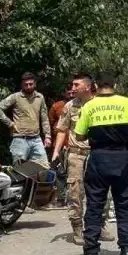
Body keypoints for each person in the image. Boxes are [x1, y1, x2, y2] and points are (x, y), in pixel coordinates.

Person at [73, 70, 128, 255]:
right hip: (123, 158)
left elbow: (79, 136)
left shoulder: (89, 106)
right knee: (124, 207)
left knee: (94, 206)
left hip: (98, 159)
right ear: (115, 86)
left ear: (95, 87)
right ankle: (126, 251)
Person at [52, 74, 94, 243]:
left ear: (87, 86)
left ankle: (99, 224)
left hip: (96, 153)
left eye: (77, 84)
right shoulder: (69, 106)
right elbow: (62, 130)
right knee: (75, 191)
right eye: (72, 84)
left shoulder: (98, 104)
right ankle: (77, 228)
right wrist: (56, 151)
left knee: (100, 192)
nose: (73, 87)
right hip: (76, 153)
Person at [0, 72, 51, 166]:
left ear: (35, 84)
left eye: (31, 84)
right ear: (22, 85)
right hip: (20, 139)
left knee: (43, 167)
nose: (28, 87)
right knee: (19, 169)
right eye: (26, 84)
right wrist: (10, 123)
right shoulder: (15, 97)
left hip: (36, 139)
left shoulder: (39, 97)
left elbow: (44, 117)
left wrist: (47, 136)